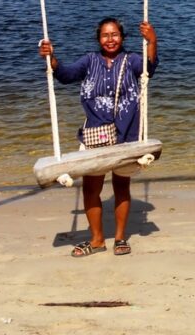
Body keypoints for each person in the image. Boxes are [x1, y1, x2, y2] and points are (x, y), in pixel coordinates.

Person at [38, 18, 158, 258]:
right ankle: (97, 239)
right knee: (91, 190)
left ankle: (121, 238)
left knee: (121, 187)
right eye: (105, 35)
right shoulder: (89, 61)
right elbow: (64, 75)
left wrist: (152, 41)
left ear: (122, 38)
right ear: (98, 38)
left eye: (115, 35)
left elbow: (149, 68)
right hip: (95, 135)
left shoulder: (131, 59)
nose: (110, 39)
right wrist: (51, 58)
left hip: (127, 136)